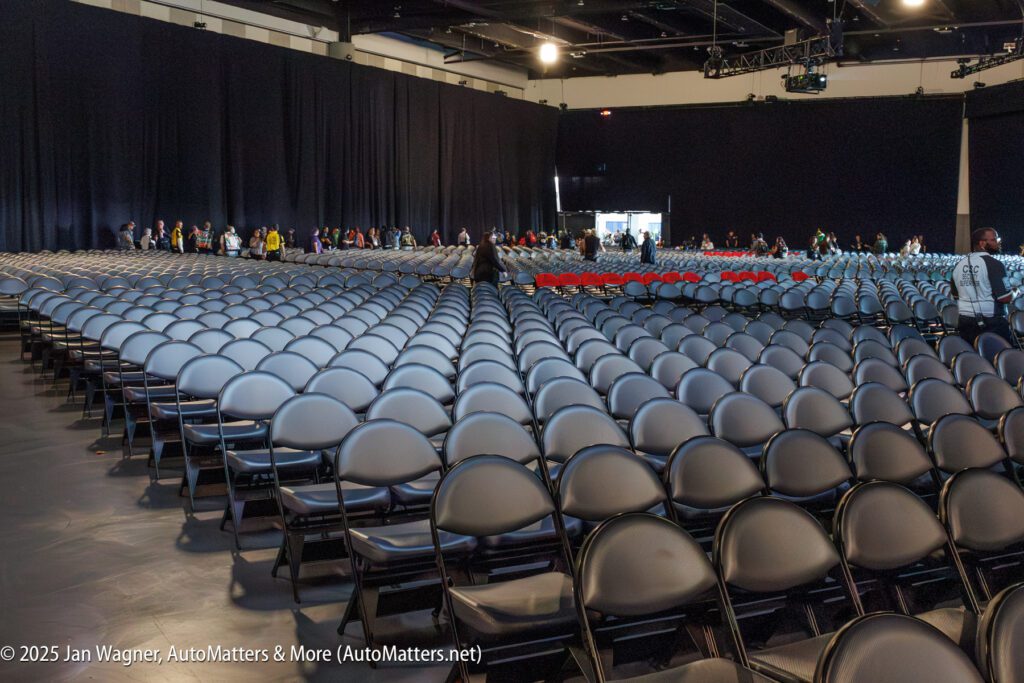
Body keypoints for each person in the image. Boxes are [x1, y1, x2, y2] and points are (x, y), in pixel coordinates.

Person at [950, 228, 1017, 345]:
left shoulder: (959, 265)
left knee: (974, 359)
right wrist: (1015, 292)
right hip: (991, 322)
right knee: (1000, 358)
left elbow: (956, 295)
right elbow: (1005, 298)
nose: (998, 242)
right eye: (994, 239)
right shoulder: (995, 264)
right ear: (982, 243)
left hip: (965, 320)